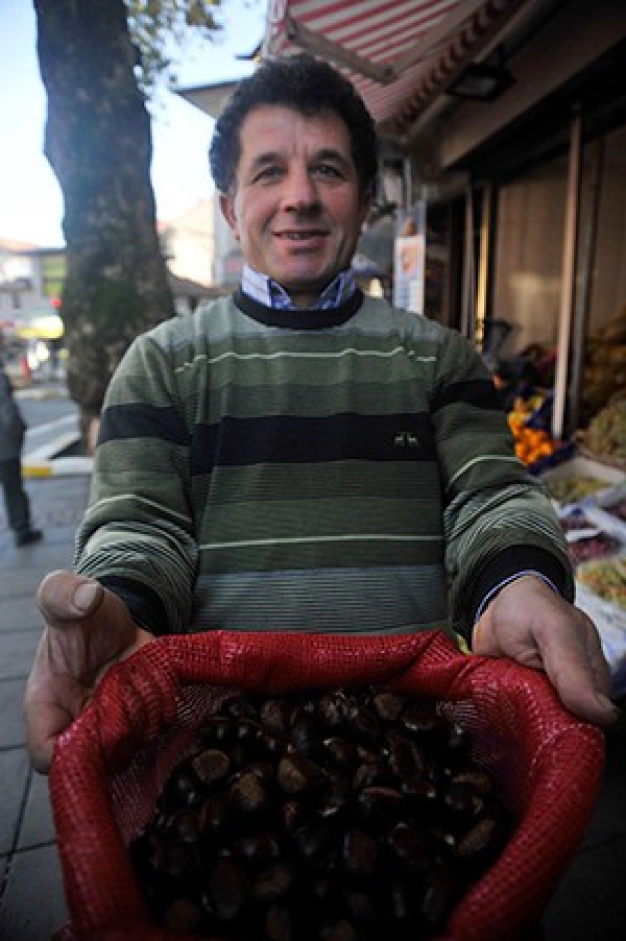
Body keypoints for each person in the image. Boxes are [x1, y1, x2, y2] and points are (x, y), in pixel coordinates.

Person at [24, 54, 618, 773]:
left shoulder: (440, 358)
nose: (300, 196)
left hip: (414, 759)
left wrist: (520, 583)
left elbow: (489, 498)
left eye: (329, 170)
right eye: (269, 171)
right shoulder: (163, 363)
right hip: (222, 759)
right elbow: (139, 524)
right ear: (228, 205)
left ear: (365, 199)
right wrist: (116, 605)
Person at [0, 332, 43, 548]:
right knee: (12, 487)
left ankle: (21, 527)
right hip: (4, 444)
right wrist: (19, 429)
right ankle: (21, 529)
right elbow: (7, 411)